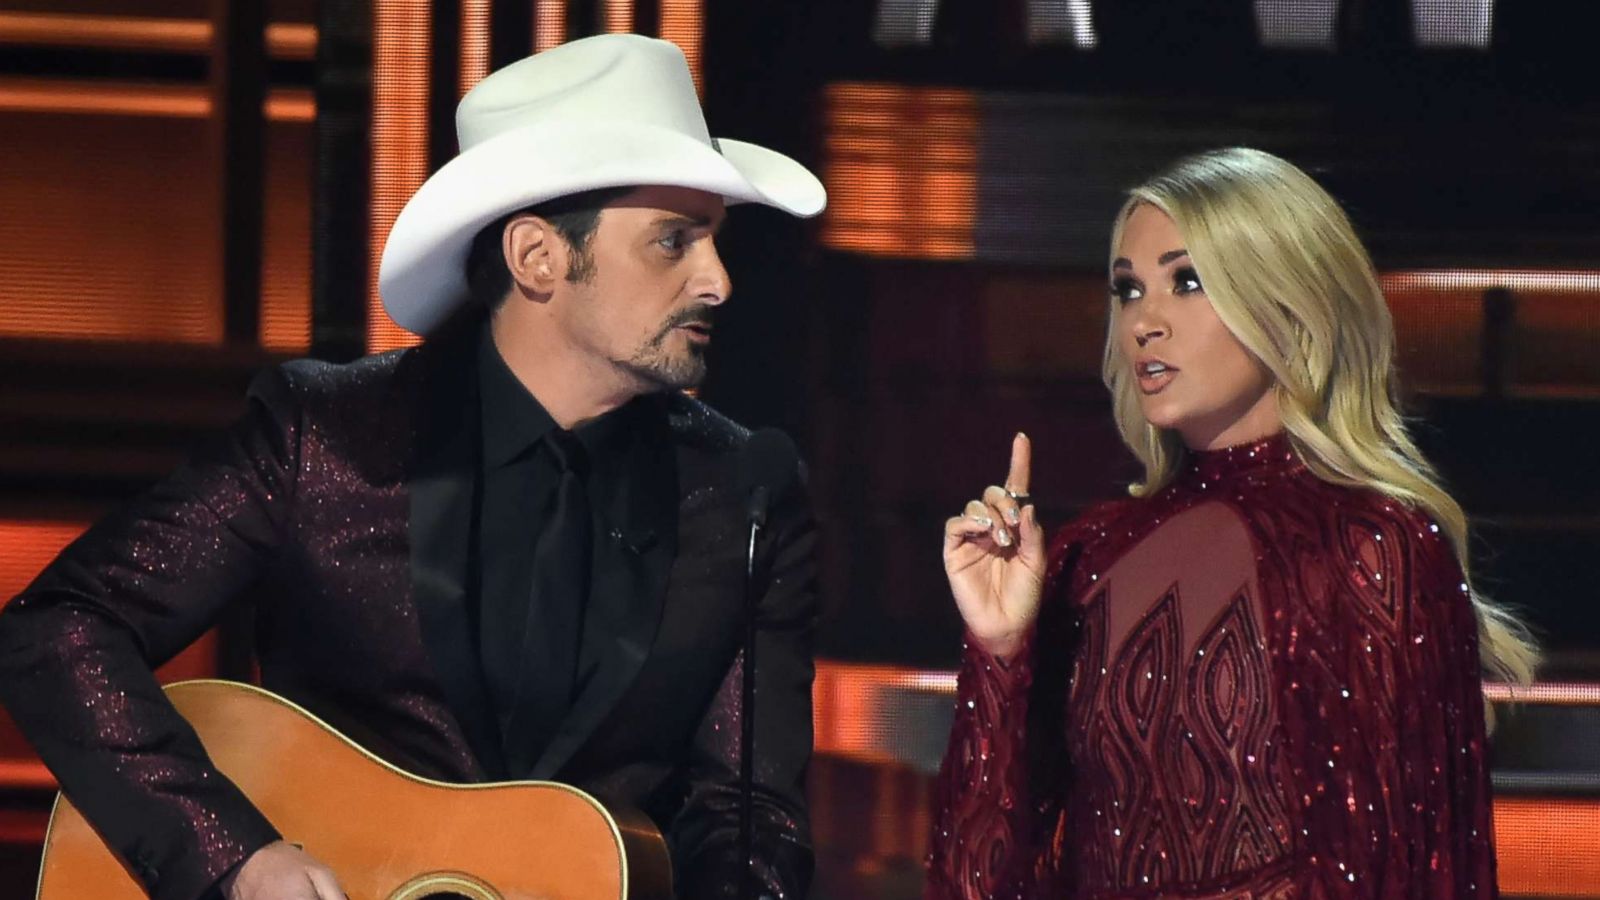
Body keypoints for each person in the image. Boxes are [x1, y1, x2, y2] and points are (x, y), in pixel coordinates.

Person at [0, 34, 825, 900]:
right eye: (674, 241)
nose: (719, 281)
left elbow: (747, 818)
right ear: (537, 257)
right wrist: (233, 858)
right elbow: (56, 631)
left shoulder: (745, 493)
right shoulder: (322, 437)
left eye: (715, 240)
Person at [927, 147, 1537, 898]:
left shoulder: (1377, 545)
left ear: (1287, 300)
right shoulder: (1086, 554)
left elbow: (1410, 873)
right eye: (1128, 290)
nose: (1145, 321)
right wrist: (998, 652)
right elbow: (979, 880)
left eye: (1187, 281)